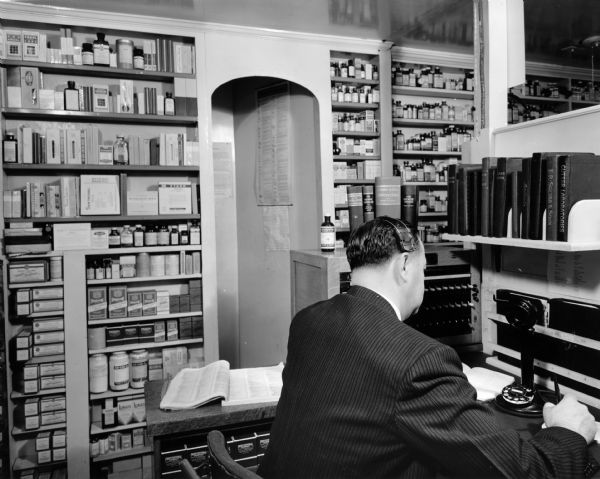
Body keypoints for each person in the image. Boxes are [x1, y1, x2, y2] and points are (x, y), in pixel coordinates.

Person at [258, 216, 598, 478]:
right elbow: (523, 471)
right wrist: (568, 431)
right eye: (424, 269)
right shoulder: (419, 361)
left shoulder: (309, 319)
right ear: (404, 266)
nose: (423, 279)